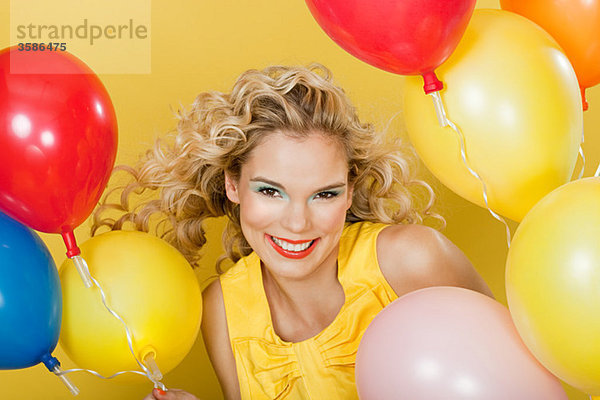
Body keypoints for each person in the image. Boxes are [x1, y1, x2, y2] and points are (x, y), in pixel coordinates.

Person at [94, 64, 493, 400]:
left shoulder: (411, 260)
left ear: (349, 190)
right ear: (233, 184)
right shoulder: (222, 310)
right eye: (271, 191)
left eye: (324, 194)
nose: (298, 223)